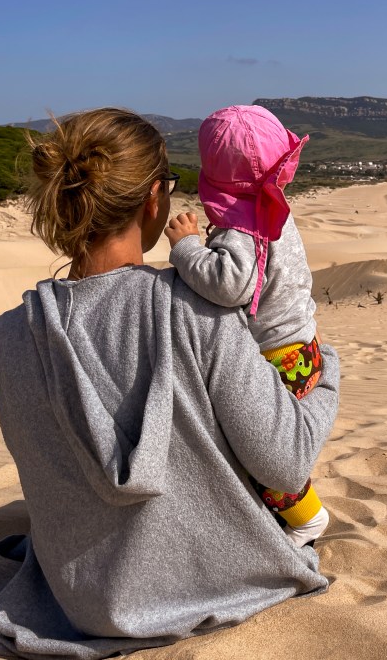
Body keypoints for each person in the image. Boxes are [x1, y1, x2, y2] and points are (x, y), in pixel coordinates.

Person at [0, 108, 340, 659]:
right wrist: (327, 371)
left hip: (79, 602)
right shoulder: (193, 309)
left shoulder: (6, 337)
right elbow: (285, 461)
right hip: (215, 582)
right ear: (152, 199)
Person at [165, 105, 327, 547]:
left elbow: (228, 286)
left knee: (262, 455)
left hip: (277, 359)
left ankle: (308, 519)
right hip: (301, 347)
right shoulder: (275, 211)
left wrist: (187, 249)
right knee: (263, 448)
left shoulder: (243, 228)